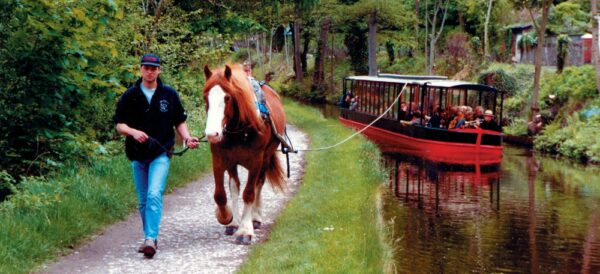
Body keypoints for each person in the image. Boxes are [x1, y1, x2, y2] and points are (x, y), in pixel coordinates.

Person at [113, 53, 199, 259]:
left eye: (154, 68)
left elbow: (179, 120)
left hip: (161, 152)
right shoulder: (130, 95)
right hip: (137, 154)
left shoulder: (169, 94)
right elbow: (119, 125)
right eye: (146, 67)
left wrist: (187, 138)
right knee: (143, 200)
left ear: (159, 71)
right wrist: (133, 132)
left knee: (153, 194)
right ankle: (149, 237)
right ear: (141, 69)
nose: (150, 71)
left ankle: (150, 238)